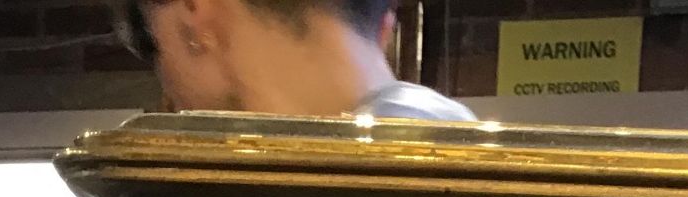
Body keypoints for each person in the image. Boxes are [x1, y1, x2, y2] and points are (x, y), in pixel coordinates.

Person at [118, 0, 475, 121]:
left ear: (195, 11)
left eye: (154, 49)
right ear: (384, 28)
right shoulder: (466, 151)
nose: (168, 95)